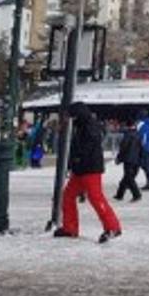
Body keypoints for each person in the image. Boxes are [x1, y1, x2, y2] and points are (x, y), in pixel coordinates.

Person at [54, 102, 121, 242]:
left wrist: (76, 160)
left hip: (89, 169)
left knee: (95, 197)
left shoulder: (89, 127)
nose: (68, 118)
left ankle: (112, 227)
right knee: (68, 196)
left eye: (70, 116)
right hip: (82, 168)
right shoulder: (83, 125)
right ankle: (70, 228)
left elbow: (87, 147)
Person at [114, 121, 142, 202]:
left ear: (127, 126)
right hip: (136, 159)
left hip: (128, 159)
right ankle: (120, 194)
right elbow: (141, 148)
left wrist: (119, 158)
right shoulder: (138, 134)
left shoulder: (127, 135)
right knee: (127, 177)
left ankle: (137, 194)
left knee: (129, 178)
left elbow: (123, 148)